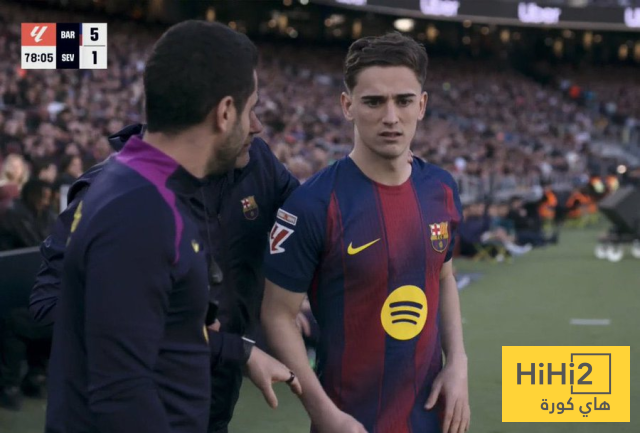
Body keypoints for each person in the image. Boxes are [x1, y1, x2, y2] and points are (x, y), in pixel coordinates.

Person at [45, 20, 300, 433]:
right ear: (225, 112)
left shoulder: (138, 185)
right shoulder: (140, 210)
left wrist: (218, 343)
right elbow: (121, 394)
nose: (256, 126)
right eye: (251, 109)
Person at [262, 33, 470, 433]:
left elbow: (444, 277)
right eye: (374, 102)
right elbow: (277, 315)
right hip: (349, 421)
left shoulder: (441, 189)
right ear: (347, 105)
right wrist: (323, 413)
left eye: (404, 101)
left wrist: (457, 362)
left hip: (431, 417)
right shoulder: (313, 205)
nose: (391, 117)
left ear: (422, 105)